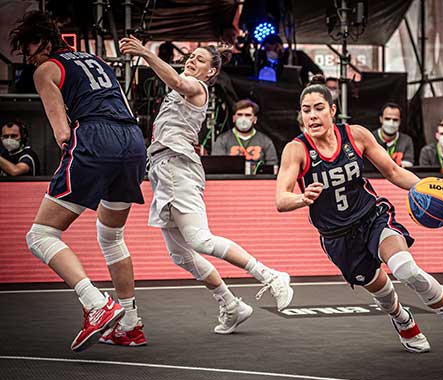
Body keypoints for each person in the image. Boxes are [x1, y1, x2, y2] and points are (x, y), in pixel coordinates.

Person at [275, 78, 443, 356]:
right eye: (306, 110)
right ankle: (403, 320)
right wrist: (301, 198)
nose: (312, 115)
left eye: (318, 108)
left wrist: (422, 188)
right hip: (338, 237)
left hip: (371, 218)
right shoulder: (296, 149)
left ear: (332, 110)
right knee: (383, 292)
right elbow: (280, 200)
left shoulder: (356, 135)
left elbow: (392, 171)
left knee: (408, 270)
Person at [119, 35, 293, 334]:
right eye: (191, 56)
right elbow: (174, 79)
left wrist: (144, 54)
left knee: (200, 240)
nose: (192, 60)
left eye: (200, 59)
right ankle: (231, 304)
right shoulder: (181, 86)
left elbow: (175, 79)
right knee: (180, 254)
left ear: (210, 72)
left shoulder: (196, 88)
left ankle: (271, 275)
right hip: (162, 169)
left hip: (177, 166)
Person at [10, 11, 147, 351]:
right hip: (133, 140)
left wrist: (73, 157)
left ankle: (95, 303)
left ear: (43, 42)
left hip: (96, 137)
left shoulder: (47, 69)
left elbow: (61, 132)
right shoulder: (94, 59)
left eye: (29, 52)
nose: (30, 61)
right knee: (111, 234)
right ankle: (129, 324)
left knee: (40, 235)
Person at [212, 99, 278, 172]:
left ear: (255, 119)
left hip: (257, 181)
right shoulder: (222, 140)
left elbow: (273, 166)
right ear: (234, 118)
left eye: (248, 115)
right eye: (240, 115)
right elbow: (217, 166)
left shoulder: (265, 141)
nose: (243, 118)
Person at [256, 34, 323, 85]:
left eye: (269, 49)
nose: (268, 52)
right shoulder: (269, 62)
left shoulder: (298, 56)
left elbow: (318, 72)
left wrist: (310, 88)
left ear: (278, 46)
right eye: (266, 50)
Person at [372, 103, 414, 168]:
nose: (391, 123)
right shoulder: (370, 138)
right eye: (387, 119)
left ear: (400, 121)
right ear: (381, 119)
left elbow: (409, 163)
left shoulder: (406, 140)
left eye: (395, 120)